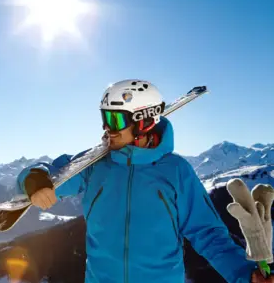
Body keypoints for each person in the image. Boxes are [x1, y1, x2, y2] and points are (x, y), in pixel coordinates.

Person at [15, 79, 273, 283]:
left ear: (144, 121)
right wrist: (34, 179)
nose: (107, 128)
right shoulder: (93, 165)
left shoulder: (176, 171)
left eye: (115, 119)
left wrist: (243, 273)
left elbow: (207, 233)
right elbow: (48, 175)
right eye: (105, 118)